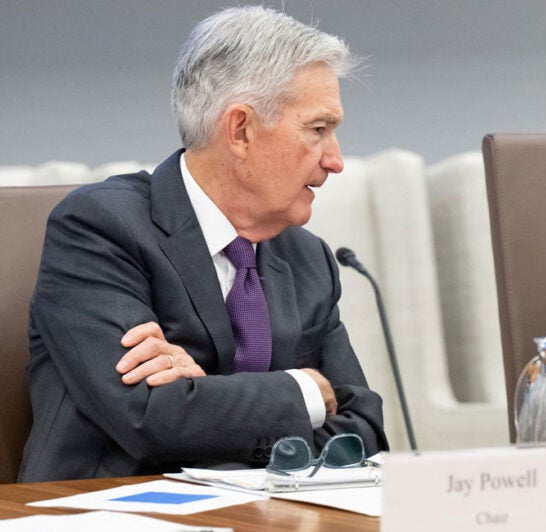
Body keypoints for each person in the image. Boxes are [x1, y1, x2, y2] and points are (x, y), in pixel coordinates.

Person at [19, 6, 387, 481]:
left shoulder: (308, 258)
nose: (335, 161)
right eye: (318, 130)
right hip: (108, 512)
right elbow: (149, 419)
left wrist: (204, 397)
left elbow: (363, 430)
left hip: (260, 513)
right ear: (240, 130)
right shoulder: (100, 228)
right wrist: (308, 390)